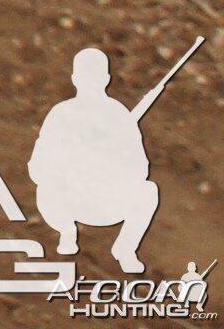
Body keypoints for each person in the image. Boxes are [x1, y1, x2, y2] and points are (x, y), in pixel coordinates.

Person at [30, 45, 163, 272]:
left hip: (107, 201)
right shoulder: (61, 115)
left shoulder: (119, 116)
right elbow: (37, 167)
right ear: (75, 79)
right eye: (85, 76)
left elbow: (141, 169)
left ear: (106, 79)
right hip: (70, 200)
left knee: (148, 191)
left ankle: (125, 248)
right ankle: (67, 233)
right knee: (46, 189)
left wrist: (111, 160)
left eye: (95, 76)